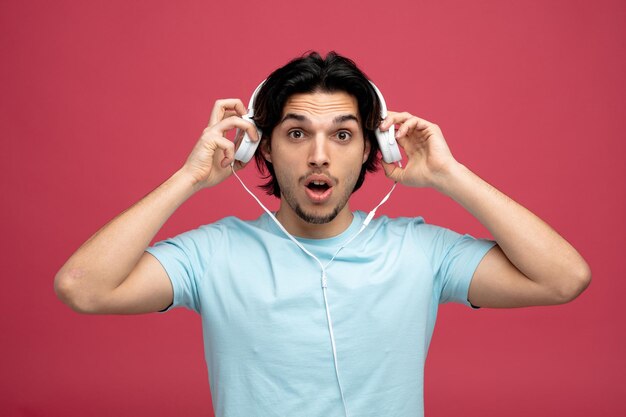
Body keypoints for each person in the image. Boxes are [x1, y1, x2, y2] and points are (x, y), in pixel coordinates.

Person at [54, 51, 591, 417]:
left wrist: (451, 175)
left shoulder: (420, 250)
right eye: (296, 133)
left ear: (371, 151)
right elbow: (82, 286)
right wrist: (189, 177)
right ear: (261, 149)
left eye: (342, 134)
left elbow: (564, 279)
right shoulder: (212, 253)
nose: (319, 154)